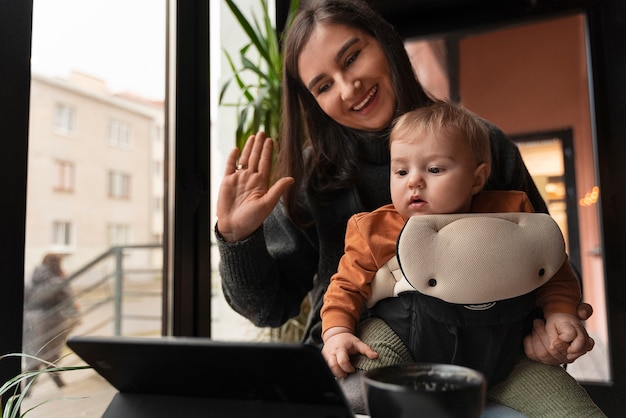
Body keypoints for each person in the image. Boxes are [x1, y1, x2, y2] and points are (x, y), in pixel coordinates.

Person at [215, 0, 601, 415]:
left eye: (352, 57)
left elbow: (544, 259)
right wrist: (238, 238)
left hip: (497, 355)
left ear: (386, 42)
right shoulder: (313, 175)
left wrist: (555, 323)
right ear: (311, 101)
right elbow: (270, 309)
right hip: (364, 355)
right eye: (323, 86)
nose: (348, 89)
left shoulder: (482, 143)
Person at [320, 102, 587, 390]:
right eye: (400, 171)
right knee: (365, 384)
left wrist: (561, 313)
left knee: (569, 404)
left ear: (477, 178)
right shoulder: (374, 229)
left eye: (434, 169)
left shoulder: (510, 215)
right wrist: (337, 332)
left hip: (505, 356)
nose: (414, 182)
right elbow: (345, 287)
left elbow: (551, 270)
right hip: (404, 346)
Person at [23, 253, 81, 389]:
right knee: (49, 352)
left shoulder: (32, 279)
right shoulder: (57, 281)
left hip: (31, 321)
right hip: (51, 320)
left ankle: (28, 389)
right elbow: (69, 300)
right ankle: (52, 383)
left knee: (35, 353)